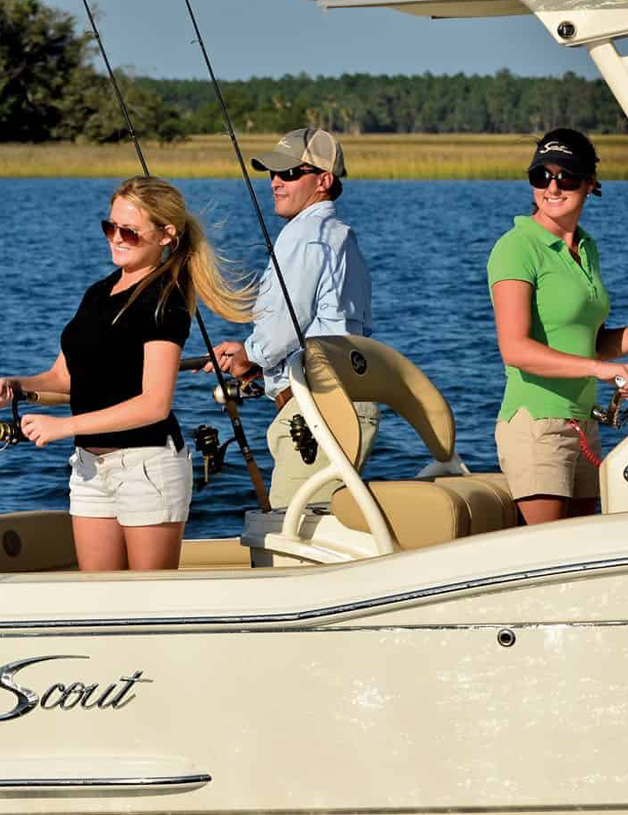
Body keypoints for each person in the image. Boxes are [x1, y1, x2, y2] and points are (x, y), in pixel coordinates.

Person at [0, 176, 252, 571]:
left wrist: (62, 428)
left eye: (129, 232)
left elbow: (154, 404)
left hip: (146, 468)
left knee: (148, 605)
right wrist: (16, 387)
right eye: (110, 227)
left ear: (166, 235)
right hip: (87, 468)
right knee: (99, 602)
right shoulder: (98, 293)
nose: (115, 238)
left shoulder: (166, 301)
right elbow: (65, 380)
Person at [204, 127, 378, 508]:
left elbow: (284, 325)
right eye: (272, 174)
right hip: (344, 403)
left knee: (292, 530)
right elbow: (315, 325)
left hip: (319, 411)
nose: (276, 183)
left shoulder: (305, 235)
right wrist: (254, 359)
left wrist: (249, 356)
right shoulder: (340, 234)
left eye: (290, 173)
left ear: (324, 180)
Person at [487, 128, 628, 526]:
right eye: (541, 176)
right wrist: (603, 371)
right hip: (537, 428)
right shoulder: (517, 247)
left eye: (565, 176)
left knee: (582, 558)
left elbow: (591, 345)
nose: (552, 186)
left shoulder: (586, 248)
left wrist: (611, 356)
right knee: (550, 554)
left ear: (589, 183)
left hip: (583, 425)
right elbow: (515, 349)